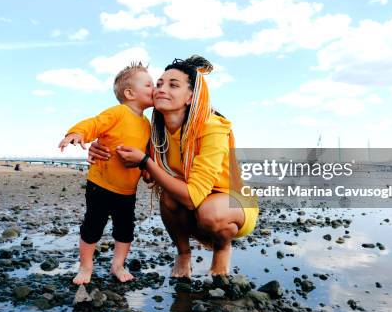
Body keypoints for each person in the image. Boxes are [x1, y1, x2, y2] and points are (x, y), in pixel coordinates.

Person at [90, 55, 258, 277]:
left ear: (190, 97)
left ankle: (222, 248)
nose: (161, 88)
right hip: (197, 200)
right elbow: (125, 147)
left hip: (233, 201)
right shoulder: (155, 131)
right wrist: (101, 149)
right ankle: (183, 254)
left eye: (173, 85)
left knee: (210, 213)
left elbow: (192, 196)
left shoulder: (212, 127)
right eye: (158, 84)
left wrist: (145, 162)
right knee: (168, 196)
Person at [58, 62, 153, 284]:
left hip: (127, 190)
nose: (154, 88)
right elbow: (95, 124)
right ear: (130, 93)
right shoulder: (118, 112)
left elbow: (145, 153)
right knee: (92, 226)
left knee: (125, 230)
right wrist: (77, 132)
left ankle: (117, 265)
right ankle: (85, 266)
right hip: (100, 184)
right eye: (148, 85)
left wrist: (148, 171)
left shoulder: (147, 124)